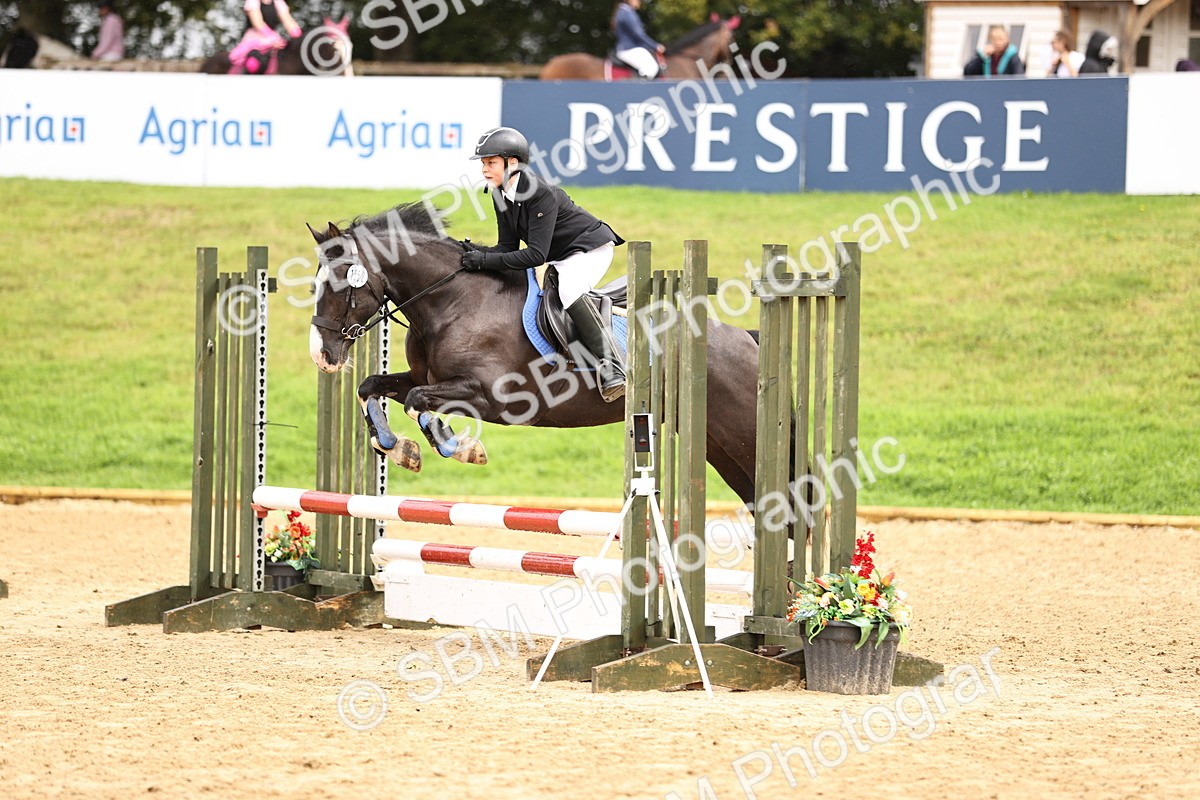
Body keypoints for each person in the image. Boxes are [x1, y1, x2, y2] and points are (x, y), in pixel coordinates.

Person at [461, 127, 628, 402]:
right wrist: (477, 254)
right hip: (560, 254)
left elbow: (536, 255)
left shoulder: (539, 193)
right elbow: (507, 248)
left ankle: (614, 368)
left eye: (490, 162)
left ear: (512, 163)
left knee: (570, 291)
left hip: (589, 248)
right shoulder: (499, 193)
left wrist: (485, 261)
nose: (484, 169)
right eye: (483, 163)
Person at [229, 0, 302, 74]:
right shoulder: (253, 2)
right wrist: (273, 39)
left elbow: (288, 21)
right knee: (252, 63)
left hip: (274, 40)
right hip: (254, 40)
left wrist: (298, 36)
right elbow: (258, 23)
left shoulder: (278, 2)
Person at [612, 0, 663, 79]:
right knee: (652, 68)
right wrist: (655, 46)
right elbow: (639, 35)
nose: (640, 1)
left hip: (632, 48)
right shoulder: (626, 13)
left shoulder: (627, 11)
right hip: (629, 49)